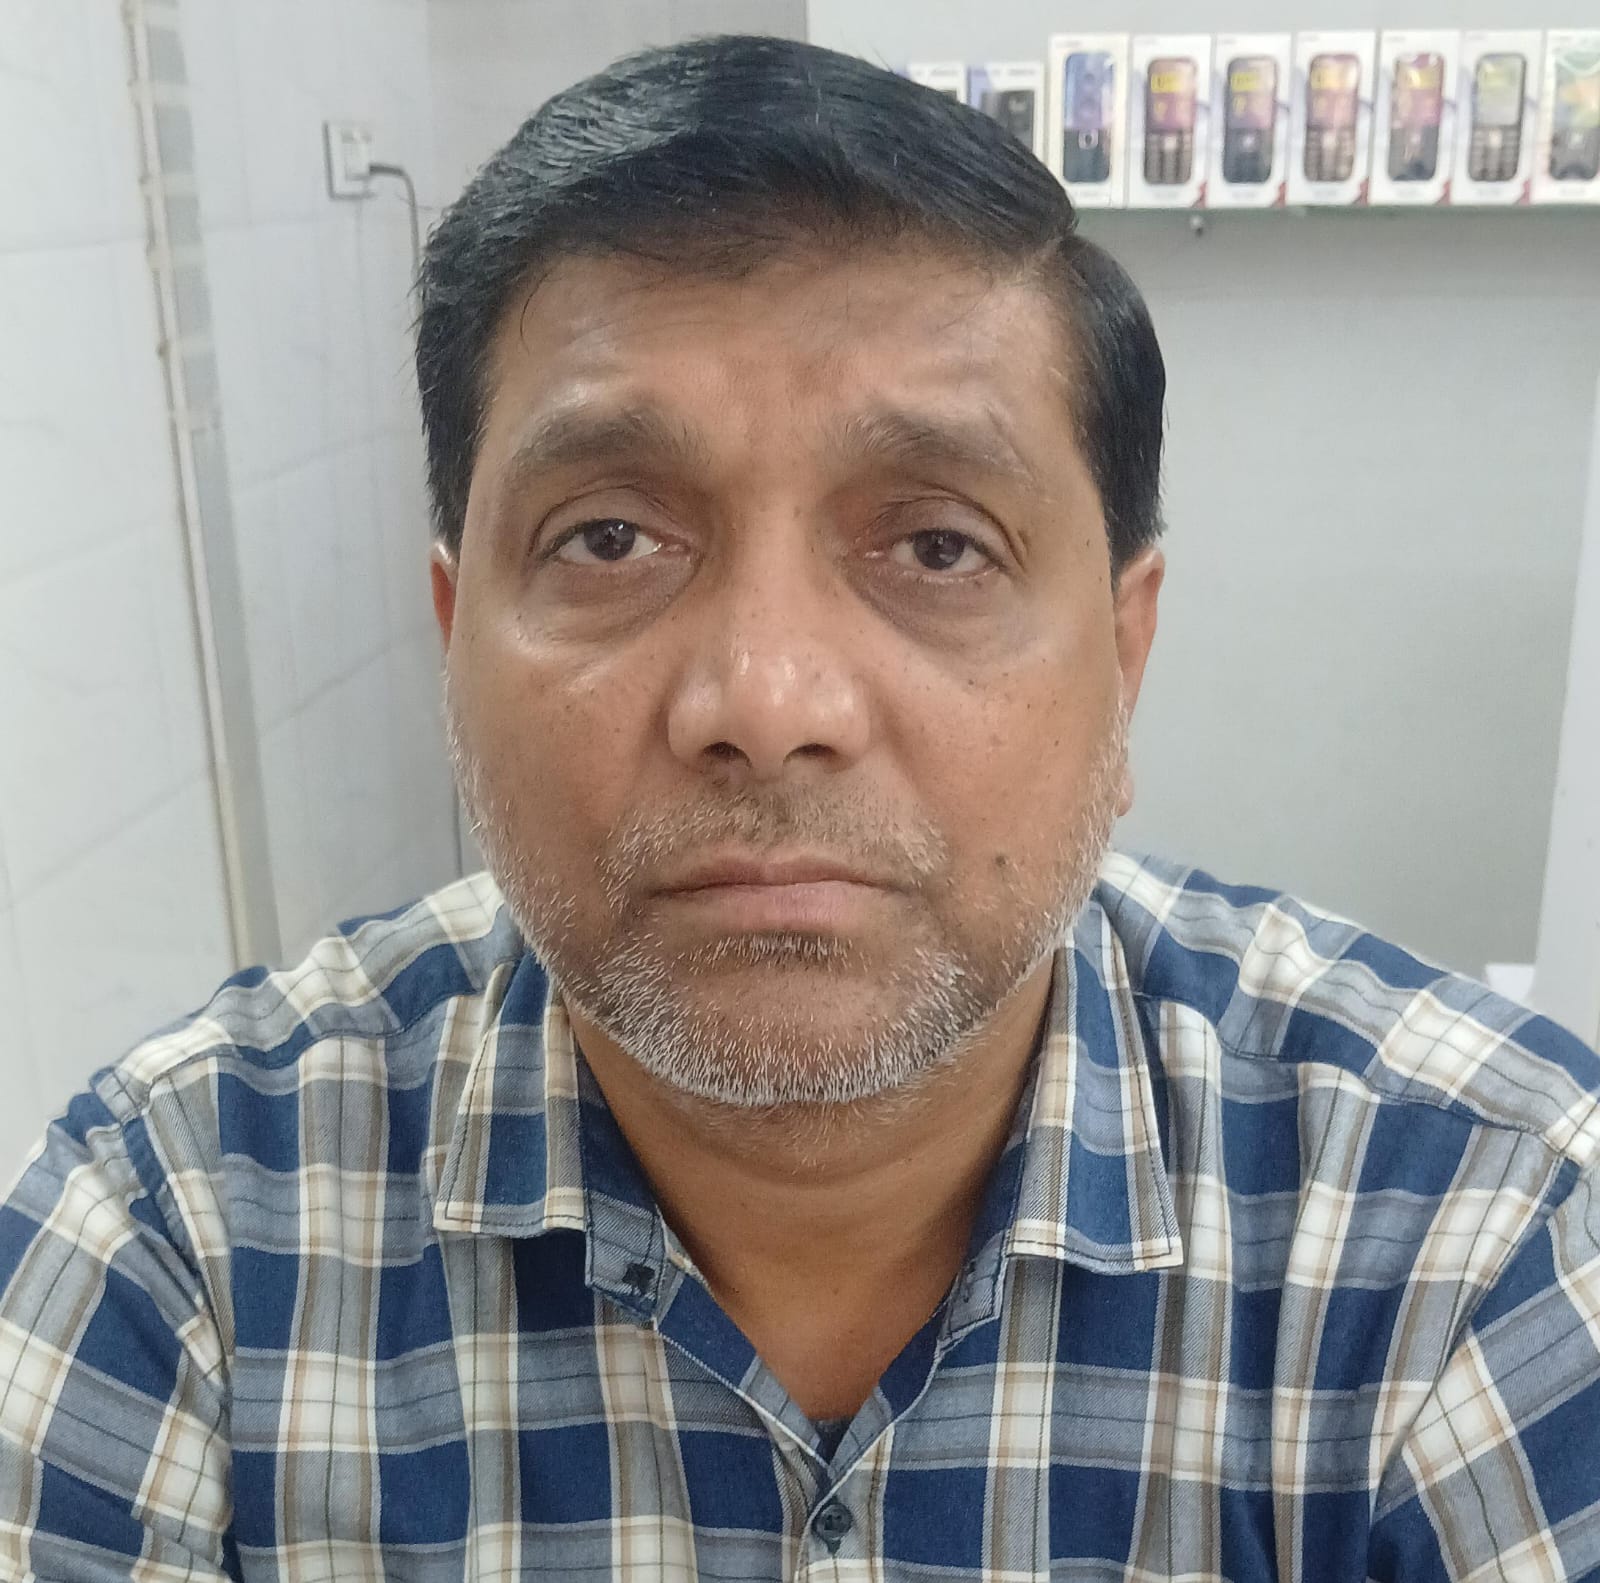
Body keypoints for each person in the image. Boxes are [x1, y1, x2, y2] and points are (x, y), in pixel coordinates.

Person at [2, 34, 1597, 1580]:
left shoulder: (1486, 1236)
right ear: (453, 638)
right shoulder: (176, 1244)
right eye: (609, 538)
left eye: (939, 546)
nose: (765, 703)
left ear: (1123, 657)